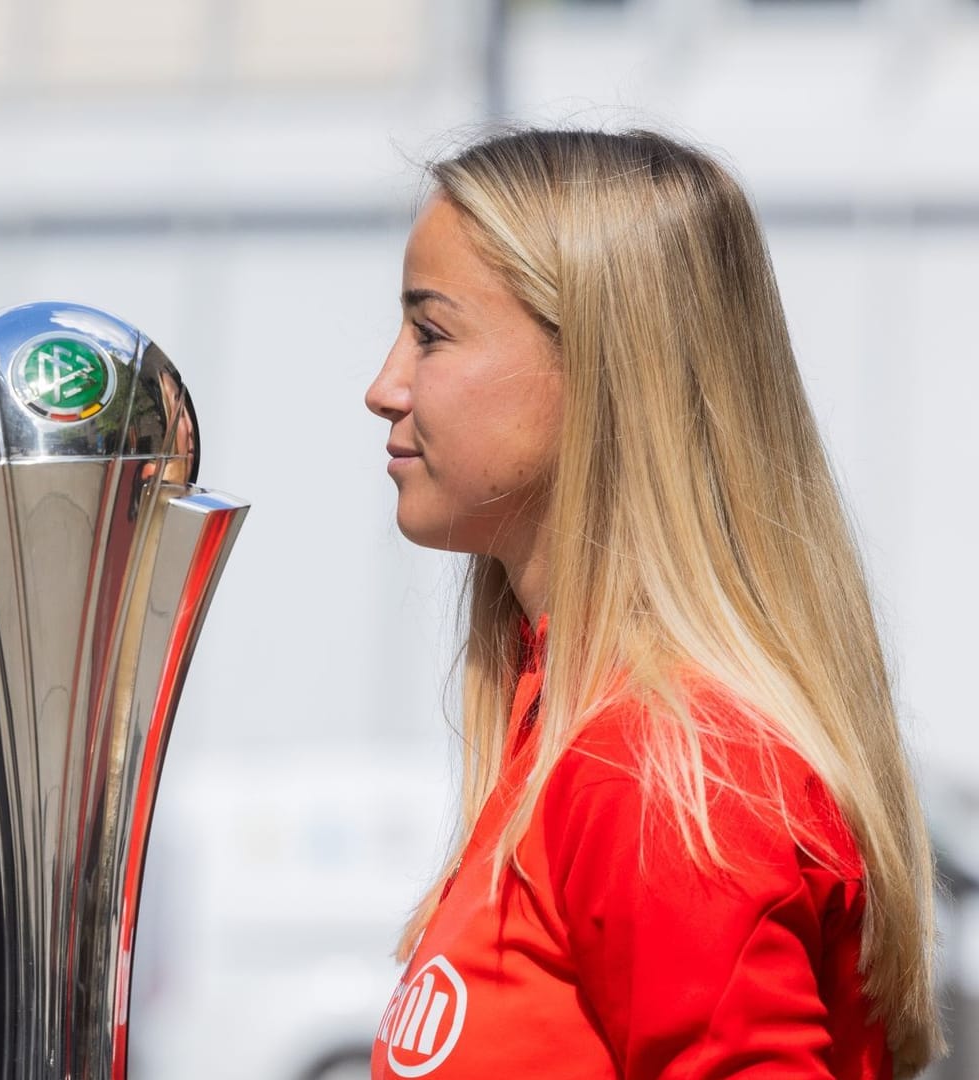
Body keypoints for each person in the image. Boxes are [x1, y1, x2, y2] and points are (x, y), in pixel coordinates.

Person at [362, 128, 940, 1079]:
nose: (383, 388)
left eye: (431, 333)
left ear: (599, 365)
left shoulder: (660, 769)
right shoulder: (571, 725)